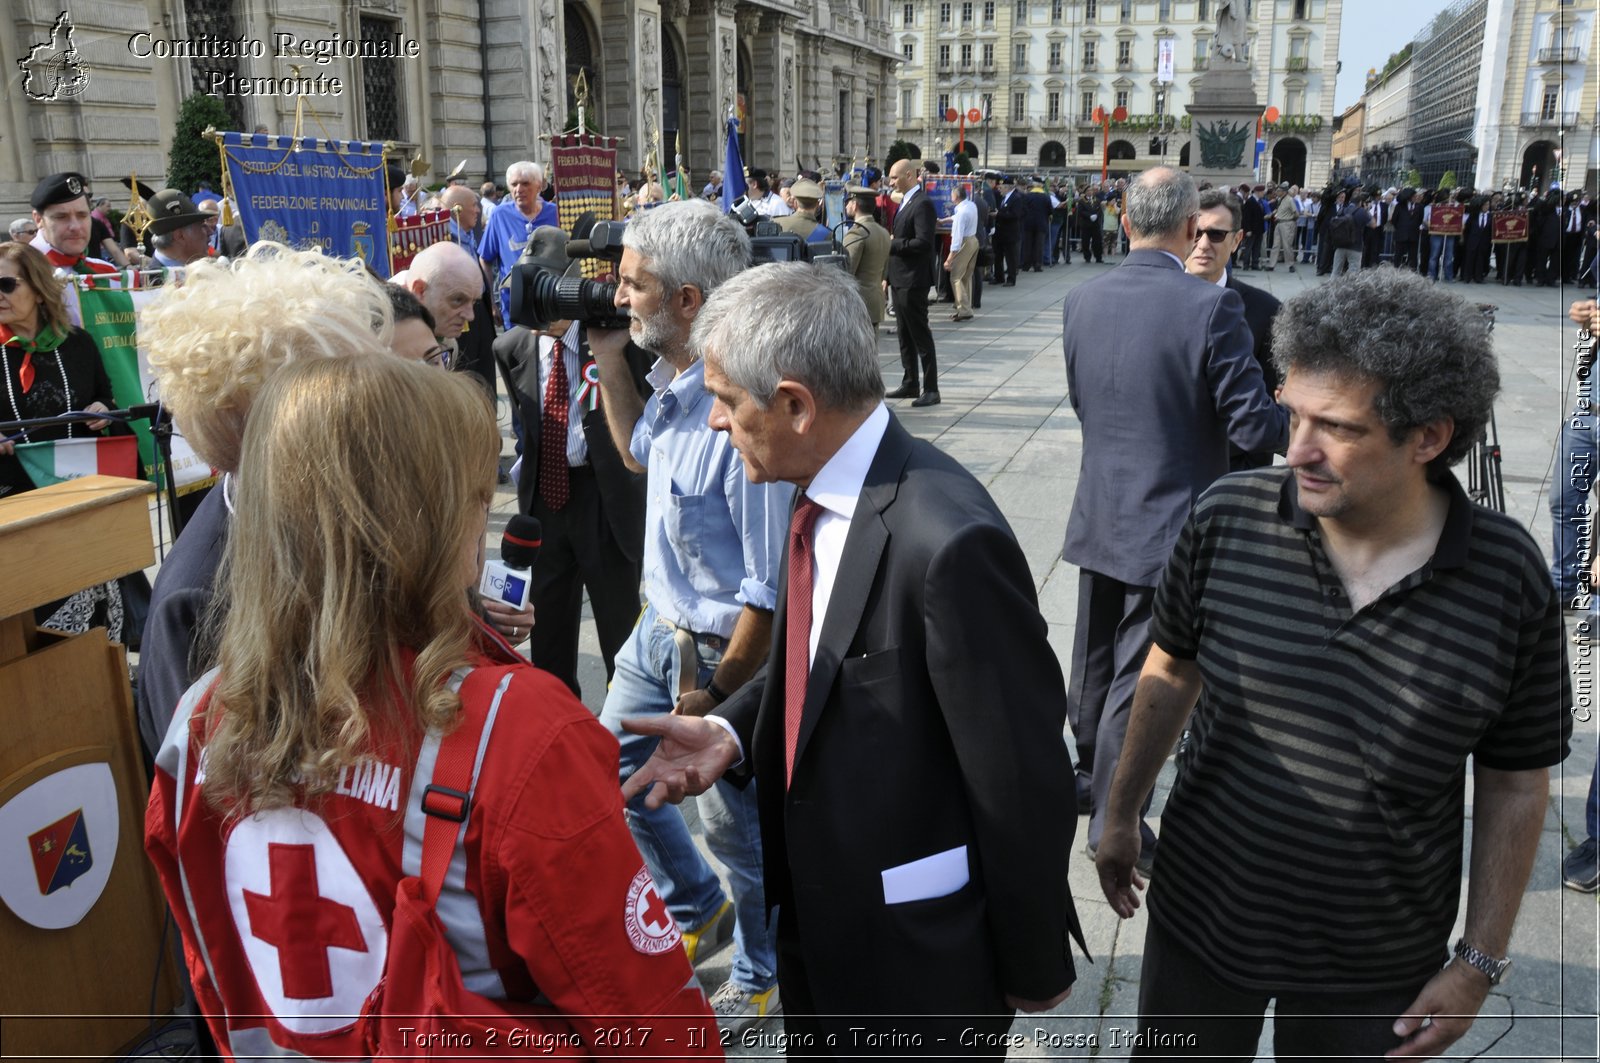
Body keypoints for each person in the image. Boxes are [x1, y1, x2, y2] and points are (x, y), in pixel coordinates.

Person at [145, 353, 717, 1057]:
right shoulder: (517, 729)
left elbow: (213, 965)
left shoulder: (198, 718)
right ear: (429, 519)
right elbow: (655, 1023)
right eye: (478, 495)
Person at [1097, 266, 1570, 1060]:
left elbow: (1517, 779)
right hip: (1202, 923)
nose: (1298, 450)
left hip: (1376, 965)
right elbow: (1170, 669)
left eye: (1338, 428)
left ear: (1430, 436)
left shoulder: (1508, 577)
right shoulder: (1227, 519)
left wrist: (1478, 962)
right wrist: (1119, 811)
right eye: (1294, 416)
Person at [620, 260, 1087, 1053]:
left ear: (796, 405)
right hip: (816, 917)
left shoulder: (947, 541)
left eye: (727, 402)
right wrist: (733, 730)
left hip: (915, 954)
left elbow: (1020, 772)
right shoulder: (821, 486)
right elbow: (819, 660)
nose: (714, 425)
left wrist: (1035, 962)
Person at [135, 244, 532, 760]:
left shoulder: (344, 506)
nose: (385, 400)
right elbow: (209, 788)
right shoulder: (198, 593)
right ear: (283, 418)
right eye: (352, 384)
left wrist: (474, 615)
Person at [584, 200, 788, 1032]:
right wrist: (606, 359)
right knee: (609, 778)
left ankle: (763, 966)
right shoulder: (671, 379)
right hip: (650, 634)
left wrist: (717, 697)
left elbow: (767, 594)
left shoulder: (739, 404)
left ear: (689, 299)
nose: (618, 295)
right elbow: (637, 453)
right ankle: (695, 902)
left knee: (736, 829)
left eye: (634, 284)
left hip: (716, 658)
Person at [1061, 167, 1287, 873]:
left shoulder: (1081, 299)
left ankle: (1091, 781)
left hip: (1100, 505)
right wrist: (1305, 408)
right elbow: (1257, 425)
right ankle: (1112, 818)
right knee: (1142, 674)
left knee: (1094, 666)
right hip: (1172, 525)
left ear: (1125, 221)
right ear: (1191, 229)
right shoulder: (1208, 309)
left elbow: (1083, 400)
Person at [493, 226, 650, 698]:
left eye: (546, 292)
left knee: (620, 632)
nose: (537, 309)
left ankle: (625, 735)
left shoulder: (617, 341)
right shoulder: (512, 348)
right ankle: (560, 730)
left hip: (606, 498)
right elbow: (527, 427)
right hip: (545, 504)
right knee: (550, 635)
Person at [1185, 189, 1282, 471]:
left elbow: (1273, 402)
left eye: (1216, 235)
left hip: (1235, 472)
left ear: (1237, 239)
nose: (1203, 244)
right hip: (1167, 474)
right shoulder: (1153, 303)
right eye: (1195, 233)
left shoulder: (1266, 311)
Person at [883, 158, 940, 407]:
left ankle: (931, 388)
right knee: (904, 335)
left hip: (913, 280)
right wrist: (887, 275)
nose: (891, 182)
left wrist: (893, 242)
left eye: (895, 177)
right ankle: (910, 382)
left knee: (920, 335)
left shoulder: (922, 203)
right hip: (899, 277)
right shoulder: (906, 201)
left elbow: (924, 243)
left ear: (909, 175)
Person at [480, 161, 559, 330]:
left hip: (551, 303)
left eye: (525, 183)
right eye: (514, 184)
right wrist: (491, 303)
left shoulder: (555, 214)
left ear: (539, 186)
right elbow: (485, 259)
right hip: (513, 306)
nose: (518, 189)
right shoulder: (500, 215)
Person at [841, 187, 890, 326]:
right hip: (876, 302)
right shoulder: (883, 232)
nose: (846, 205)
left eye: (849, 202)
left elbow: (846, 272)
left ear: (855, 205)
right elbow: (884, 272)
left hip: (858, 303)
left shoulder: (857, 233)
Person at [145, 189, 212, 270]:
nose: (210, 231)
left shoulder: (204, 269)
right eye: (202, 226)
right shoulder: (153, 280)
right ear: (180, 236)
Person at [945, 182, 979, 321]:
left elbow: (956, 240)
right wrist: (943, 221)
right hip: (973, 241)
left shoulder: (961, 213)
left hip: (965, 242)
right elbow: (958, 218)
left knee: (956, 277)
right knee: (966, 276)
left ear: (956, 197)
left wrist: (949, 259)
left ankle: (964, 310)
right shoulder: (970, 205)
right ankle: (964, 305)